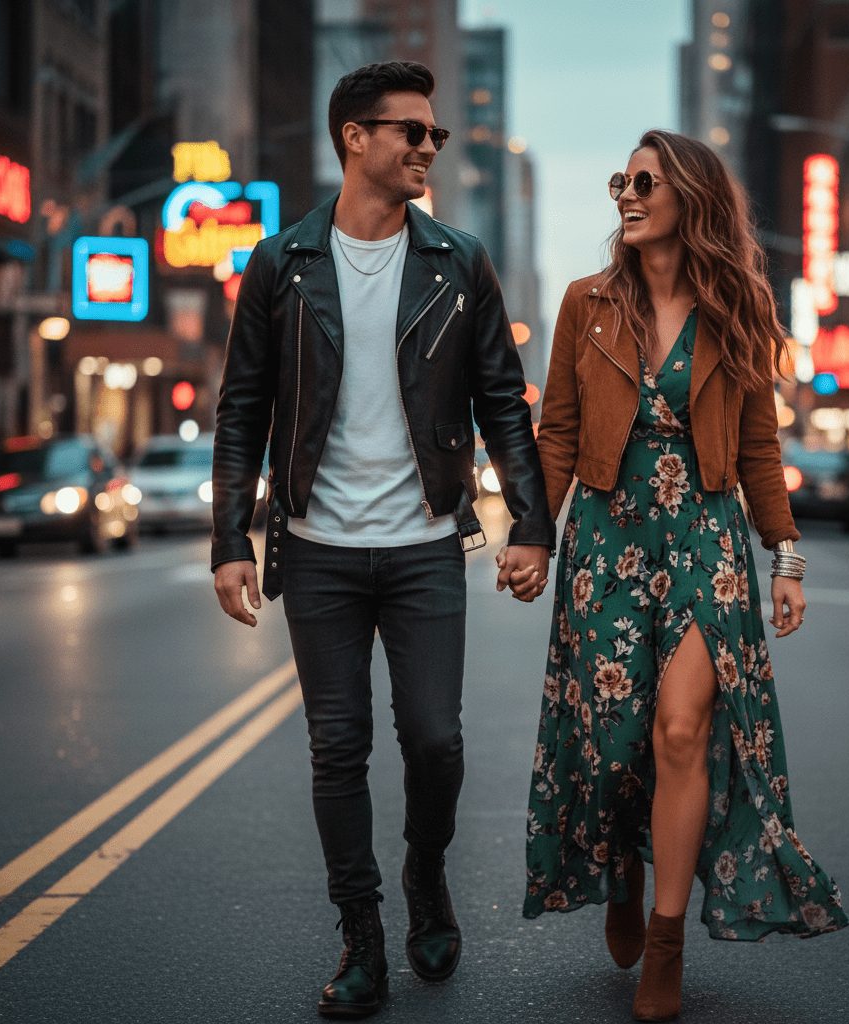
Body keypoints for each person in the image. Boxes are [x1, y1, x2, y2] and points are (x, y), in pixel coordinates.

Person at [210, 61, 554, 1019]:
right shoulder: (281, 265)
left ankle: (424, 874)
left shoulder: (459, 261)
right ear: (354, 137)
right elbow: (243, 410)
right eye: (411, 131)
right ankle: (361, 937)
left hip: (423, 543)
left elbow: (501, 403)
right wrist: (229, 540)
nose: (427, 148)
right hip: (316, 546)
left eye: (434, 135)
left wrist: (531, 522)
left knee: (436, 741)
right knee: (338, 747)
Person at [515, 129, 849, 1021]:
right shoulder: (587, 304)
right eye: (621, 179)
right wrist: (531, 535)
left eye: (646, 181)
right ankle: (622, 866)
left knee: (677, 731)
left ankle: (665, 941)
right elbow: (555, 433)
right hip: (606, 536)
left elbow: (759, 450)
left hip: (704, 536)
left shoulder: (737, 307)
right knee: (615, 739)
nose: (627, 193)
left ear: (690, 198)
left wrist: (785, 556)